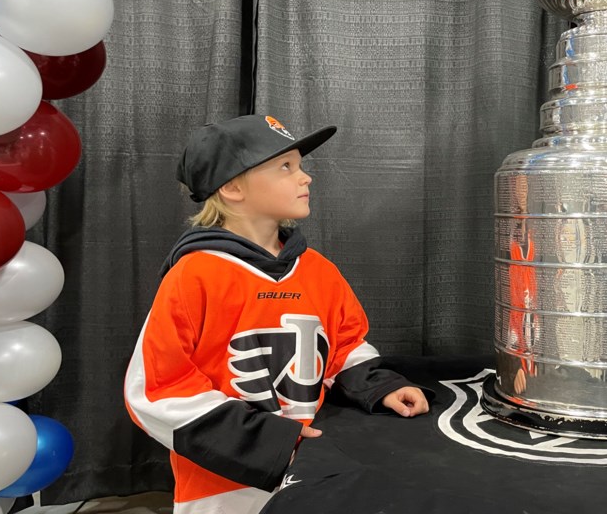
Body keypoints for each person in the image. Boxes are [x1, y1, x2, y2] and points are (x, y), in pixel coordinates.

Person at [124, 114, 430, 514]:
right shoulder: (195, 275)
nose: (305, 178)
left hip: (317, 470)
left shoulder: (319, 269)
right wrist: (271, 443)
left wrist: (379, 386)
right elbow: (156, 390)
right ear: (232, 187)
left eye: (300, 166)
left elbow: (344, 346)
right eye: (286, 167)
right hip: (223, 489)